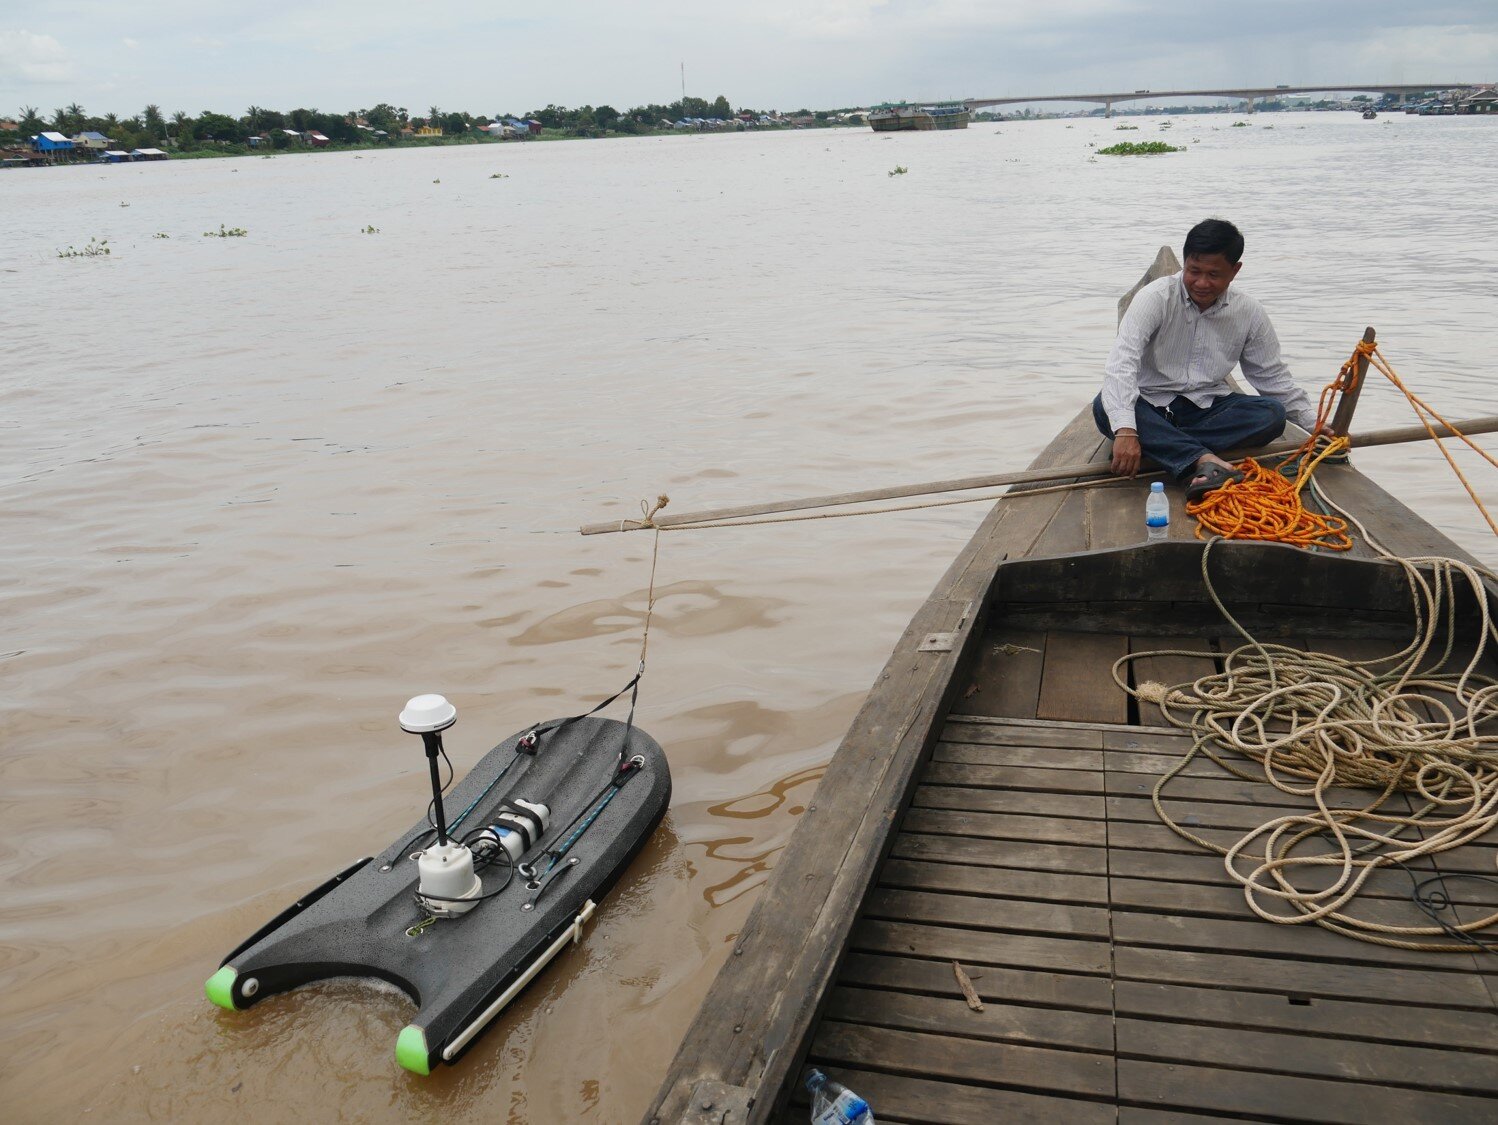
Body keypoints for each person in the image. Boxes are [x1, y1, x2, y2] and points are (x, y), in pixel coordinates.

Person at [1094, 219, 1318, 500]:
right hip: (1150, 404)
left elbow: (1271, 376)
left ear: (1235, 271)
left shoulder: (1249, 311)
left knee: (1272, 415)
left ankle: (1168, 446)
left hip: (1206, 409)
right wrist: (1127, 431)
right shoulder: (1154, 298)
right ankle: (1201, 458)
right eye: (1194, 271)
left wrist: (1317, 426)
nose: (1201, 283)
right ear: (1185, 262)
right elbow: (1121, 364)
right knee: (1105, 406)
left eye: (1214, 274)